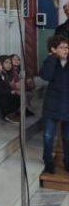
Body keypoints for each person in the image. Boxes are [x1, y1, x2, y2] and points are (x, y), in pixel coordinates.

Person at [39, 35, 69, 174]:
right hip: (52, 105)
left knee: (67, 137)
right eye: (62, 47)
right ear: (53, 49)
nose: (66, 50)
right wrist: (52, 59)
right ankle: (48, 162)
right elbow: (47, 76)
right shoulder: (50, 62)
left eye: (67, 47)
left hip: (67, 105)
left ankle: (67, 162)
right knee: (48, 136)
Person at [0, 57, 21, 123]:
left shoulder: (2, 74)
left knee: (17, 96)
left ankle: (14, 113)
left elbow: (7, 86)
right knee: (13, 98)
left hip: (4, 94)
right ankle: (9, 115)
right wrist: (10, 92)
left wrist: (12, 91)